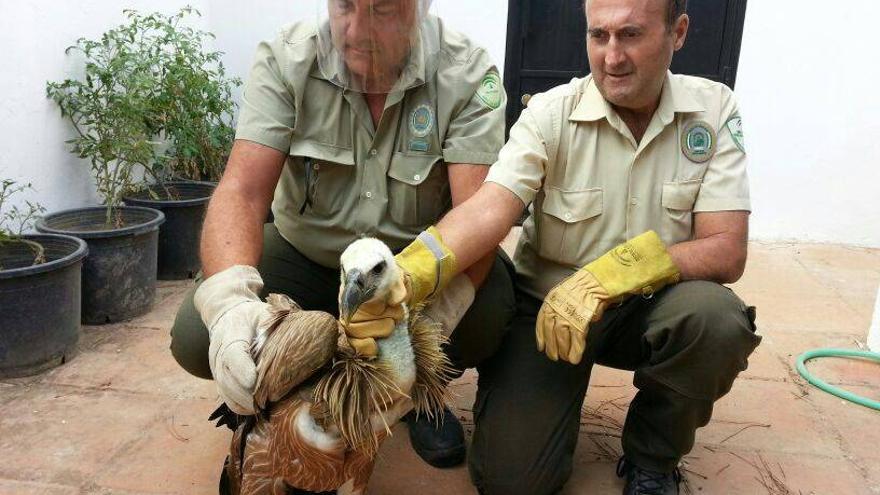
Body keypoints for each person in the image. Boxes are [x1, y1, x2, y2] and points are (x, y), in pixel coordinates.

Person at [367, 0, 762, 493]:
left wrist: (613, 274)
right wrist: (407, 274)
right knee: (511, 481)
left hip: (652, 306)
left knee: (715, 320)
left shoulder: (713, 109)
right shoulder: (551, 112)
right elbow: (490, 209)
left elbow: (726, 248)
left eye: (631, 35)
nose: (611, 57)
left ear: (677, 33)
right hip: (547, 312)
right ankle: (523, 396)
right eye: (599, 36)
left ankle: (653, 456)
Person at [168, 0, 516, 475]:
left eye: (382, 10)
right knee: (197, 332)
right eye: (344, 6)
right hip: (305, 253)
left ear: (418, 7)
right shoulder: (286, 58)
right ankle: (282, 397)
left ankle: (419, 397)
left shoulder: (467, 72)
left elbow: (476, 215)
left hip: (410, 274)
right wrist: (231, 305)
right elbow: (242, 192)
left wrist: (419, 338)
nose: (355, 30)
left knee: (487, 314)